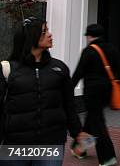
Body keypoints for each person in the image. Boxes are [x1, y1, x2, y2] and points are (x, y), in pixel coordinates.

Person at [0, 17, 89, 165]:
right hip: (15, 144)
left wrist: (77, 132)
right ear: (32, 37)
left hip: (51, 142)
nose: (50, 34)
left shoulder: (59, 68)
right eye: (44, 31)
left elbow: (69, 105)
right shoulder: (8, 69)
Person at [71, 23, 120, 166]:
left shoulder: (88, 51)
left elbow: (78, 73)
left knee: (97, 124)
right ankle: (79, 148)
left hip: (92, 92)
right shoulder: (112, 49)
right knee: (92, 121)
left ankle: (107, 156)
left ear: (89, 36)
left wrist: (67, 90)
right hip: (107, 91)